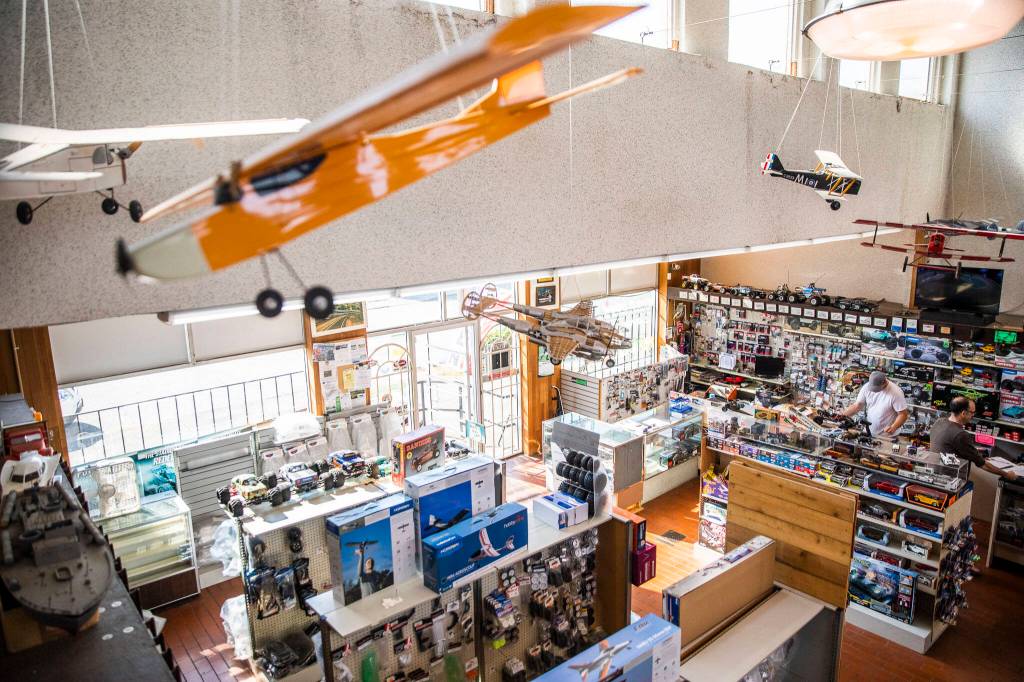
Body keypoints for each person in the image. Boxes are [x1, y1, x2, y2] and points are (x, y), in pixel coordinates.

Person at [929, 396, 1017, 480]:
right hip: (951, 480)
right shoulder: (960, 434)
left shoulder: (939, 422)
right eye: (972, 412)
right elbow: (983, 465)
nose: (973, 415)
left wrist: (976, 455)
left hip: (933, 474)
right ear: (963, 413)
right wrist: (1007, 474)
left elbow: (951, 448)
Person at [842, 370, 909, 437]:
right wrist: (842, 416)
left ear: (885, 382)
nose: (874, 391)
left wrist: (893, 427)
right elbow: (857, 406)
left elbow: (903, 414)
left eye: (877, 389)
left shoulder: (896, 392)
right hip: (869, 431)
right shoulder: (866, 387)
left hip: (887, 435)